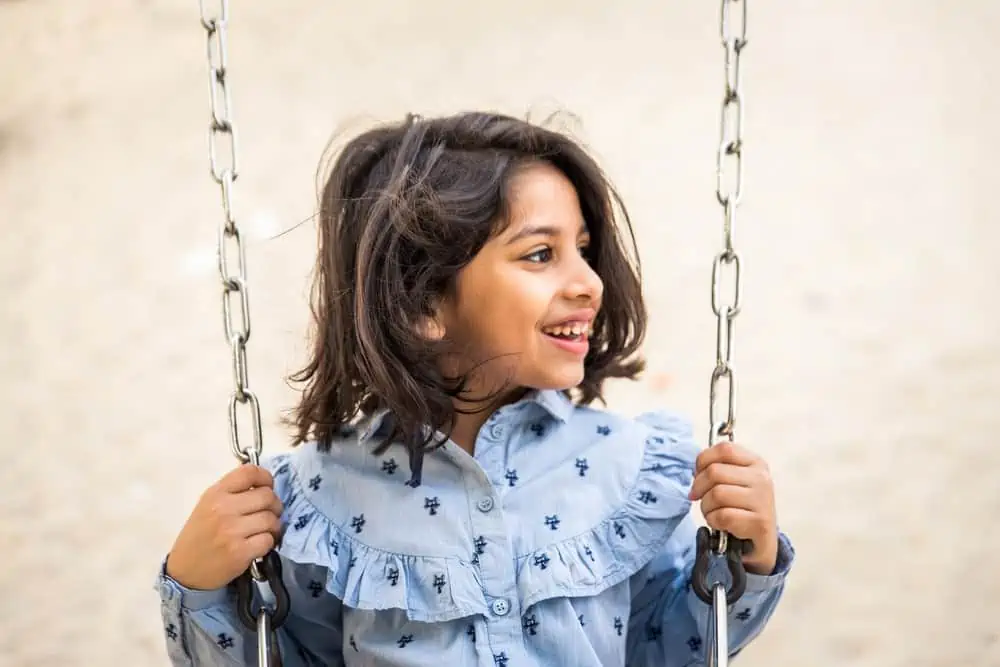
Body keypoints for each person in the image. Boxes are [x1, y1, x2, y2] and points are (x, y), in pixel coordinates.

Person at [156, 111, 794, 666]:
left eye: (583, 249)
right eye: (540, 255)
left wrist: (748, 557)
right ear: (423, 300)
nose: (589, 282)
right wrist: (199, 586)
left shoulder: (626, 469)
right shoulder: (324, 496)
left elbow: (667, 647)